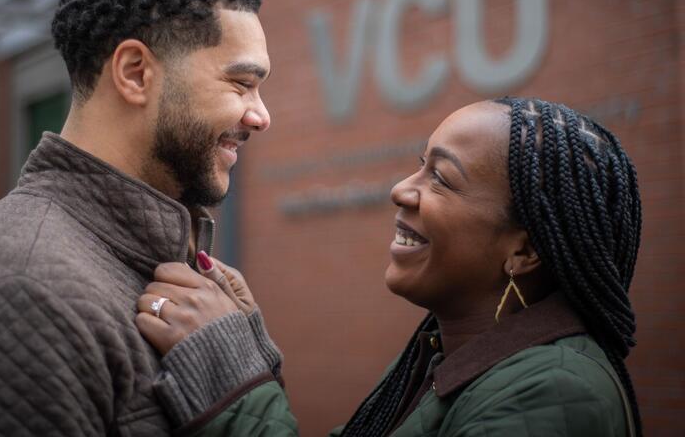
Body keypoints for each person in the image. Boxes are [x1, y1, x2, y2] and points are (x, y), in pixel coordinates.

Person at [0, 0, 272, 436]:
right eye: (241, 83)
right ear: (134, 72)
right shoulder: (24, 295)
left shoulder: (159, 265)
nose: (261, 116)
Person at [137, 97, 642, 436]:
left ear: (524, 251)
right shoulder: (443, 357)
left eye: (441, 178)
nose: (401, 189)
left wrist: (232, 379)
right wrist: (248, 348)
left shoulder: (556, 393)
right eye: (419, 165)